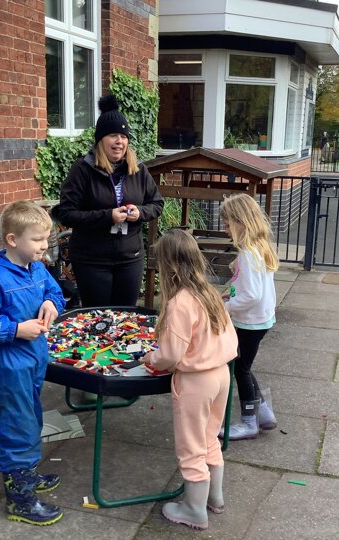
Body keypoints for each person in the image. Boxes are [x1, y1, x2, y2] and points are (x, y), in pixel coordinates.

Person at [0, 200, 66, 526]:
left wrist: (51, 303)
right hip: (8, 368)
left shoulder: (36, 268)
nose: (44, 246)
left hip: (32, 362)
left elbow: (55, 292)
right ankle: (20, 500)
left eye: (46, 238)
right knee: (16, 427)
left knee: (30, 420)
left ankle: (27, 475)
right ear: (12, 240)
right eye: (37, 239)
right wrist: (16, 329)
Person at [140, 229, 238, 531]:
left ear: (168, 265)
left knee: (191, 446)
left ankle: (194, 510)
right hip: (221, 374)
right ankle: (214, 498)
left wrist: (151, 358)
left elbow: (170, 355)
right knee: (209, 437)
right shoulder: (209, 292)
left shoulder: (180, 302)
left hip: (196, 382)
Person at [51, 94, 164, 308]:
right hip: (92, 260)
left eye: (123, 136)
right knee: (98, 317)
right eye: (113, 135)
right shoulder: (82, 170)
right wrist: (107, 216)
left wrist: (140, 212)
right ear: (101, 139)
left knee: (126, 316)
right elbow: (65, 213)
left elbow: (157, 204)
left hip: (130, 258)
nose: (119, 141)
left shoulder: (139, 170)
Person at [219, 193, 279, 441]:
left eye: (227, 225)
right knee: (243, 365)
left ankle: (248, 422)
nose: (225, 230)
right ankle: (263, 414)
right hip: (260, 319)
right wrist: (232, 293)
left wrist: (227, 307)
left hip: (250, 321)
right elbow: (254, 288)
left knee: (239, 369)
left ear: (240, 222)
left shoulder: (247, 254)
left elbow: (251, 295)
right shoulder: (259, 247)